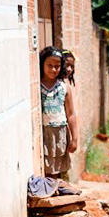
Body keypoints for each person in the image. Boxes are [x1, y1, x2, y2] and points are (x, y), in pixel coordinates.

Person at [40, 47, 78, 182]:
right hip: (45, 132)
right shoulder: (37, 87)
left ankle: (55, 189)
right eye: (49, 65)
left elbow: (71, 114)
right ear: (41, 64)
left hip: (60, 132)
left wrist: (75, 138)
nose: (53, 69)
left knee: (57, 167)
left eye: (57, 66)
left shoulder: (64, 87)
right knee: (46, 166)